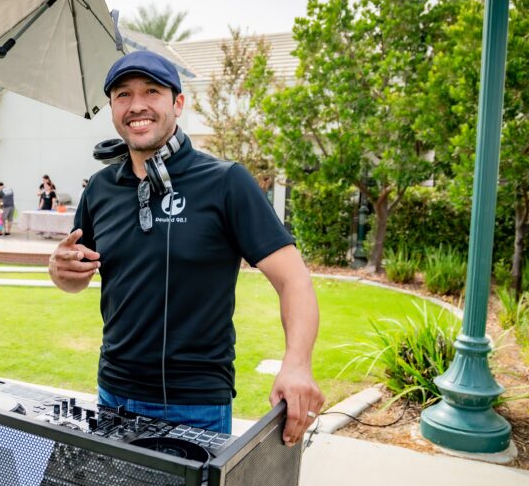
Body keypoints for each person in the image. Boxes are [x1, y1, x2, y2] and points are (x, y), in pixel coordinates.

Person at [49, 50, 324, 445]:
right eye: (123, 95)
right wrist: (59, 271)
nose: (137, 105)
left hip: (196, 406)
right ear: (112, 108)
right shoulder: (100, 189)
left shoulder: (226, 182)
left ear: (178, 103)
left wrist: (297, 365)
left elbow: (294, 279)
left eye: (152, 91)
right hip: (113, 394)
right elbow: (77, 275)